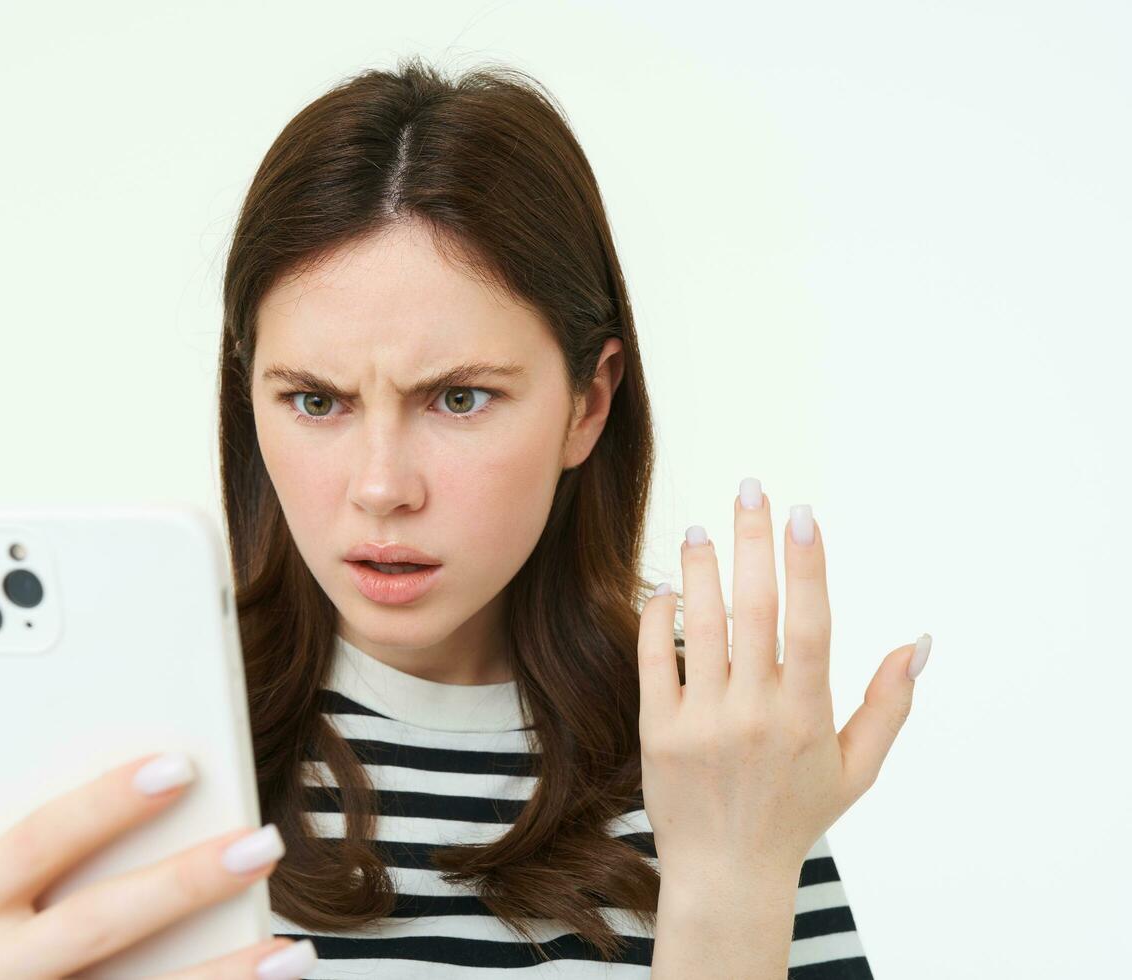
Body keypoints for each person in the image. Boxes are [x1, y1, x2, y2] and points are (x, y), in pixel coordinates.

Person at [221, 56, 927, 978]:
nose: (382, 487)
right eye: (316, 402)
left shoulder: (714, 756)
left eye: (460, 398)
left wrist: (728, 885)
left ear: (588, 405)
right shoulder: (143, 739)